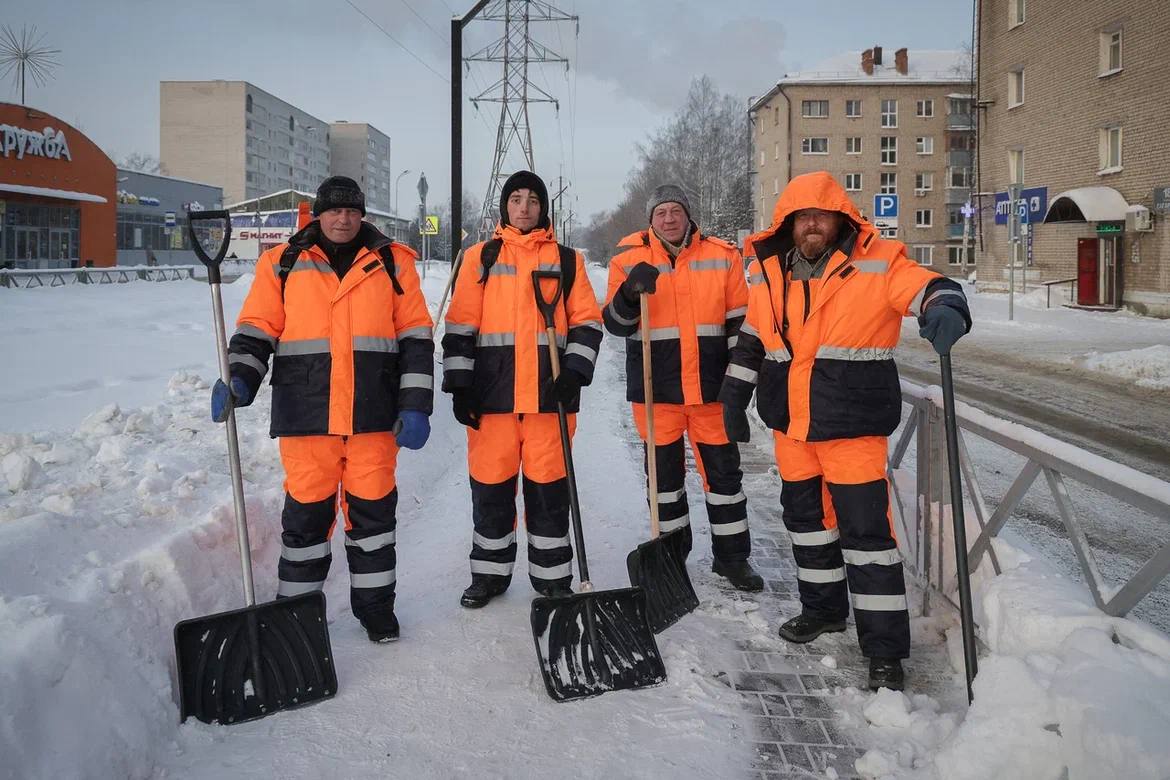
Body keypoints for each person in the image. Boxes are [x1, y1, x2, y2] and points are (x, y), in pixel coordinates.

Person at [719, 171, 970, 691]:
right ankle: (824, 610)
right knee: (806, 523)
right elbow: (752, 341)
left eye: (821, 215)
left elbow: (927, 286)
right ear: (787, 223)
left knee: (868, 540)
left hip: (852, 427)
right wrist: (732, 396)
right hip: (792, 430)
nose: (811, 224)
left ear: (840, 218)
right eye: (801, 216)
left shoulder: (876, 262)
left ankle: (884, 651)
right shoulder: (768, 272)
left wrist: (945, 305)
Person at [211, 175, 434, 643]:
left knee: (373, 522)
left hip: (373, 416)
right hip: (307, 415)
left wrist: (416, 404)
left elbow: (415, 336)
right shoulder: (284, 262)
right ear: (318, 213)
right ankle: (296, 614)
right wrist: (240, 377)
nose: (343, 218)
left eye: (352, 210)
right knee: (306, 521)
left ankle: (376, 611)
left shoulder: (393, 263)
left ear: (362, 214)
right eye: (334, 210)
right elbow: (257, 328)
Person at [441, 170, 603, 608]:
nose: (525, 207)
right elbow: (460, 326)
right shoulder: (481, 257)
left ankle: (552, 579)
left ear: (543, 208)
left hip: (550, 401)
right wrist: (459, 384)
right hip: (492, 401)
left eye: (533, 200)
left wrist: (574, 373)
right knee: (491, 489)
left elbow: (588, 322)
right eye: (516, 199)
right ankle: (490, 575)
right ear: (505, 206)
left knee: (549, 491)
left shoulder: (567, 260)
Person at [602, 184, 762, 591]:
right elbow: (615, 324)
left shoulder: (722, 255)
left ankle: (732, 559)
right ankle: (672, 560)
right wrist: (627, 292)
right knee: (665, 482)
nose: (669, 219)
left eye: (676, 210)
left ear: (688, 215)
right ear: (650, 219)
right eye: (661, 213)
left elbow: (738, 324)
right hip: (658, 393)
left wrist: (736, 386)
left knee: (724, 480)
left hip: (711, 391)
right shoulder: (627, 259)